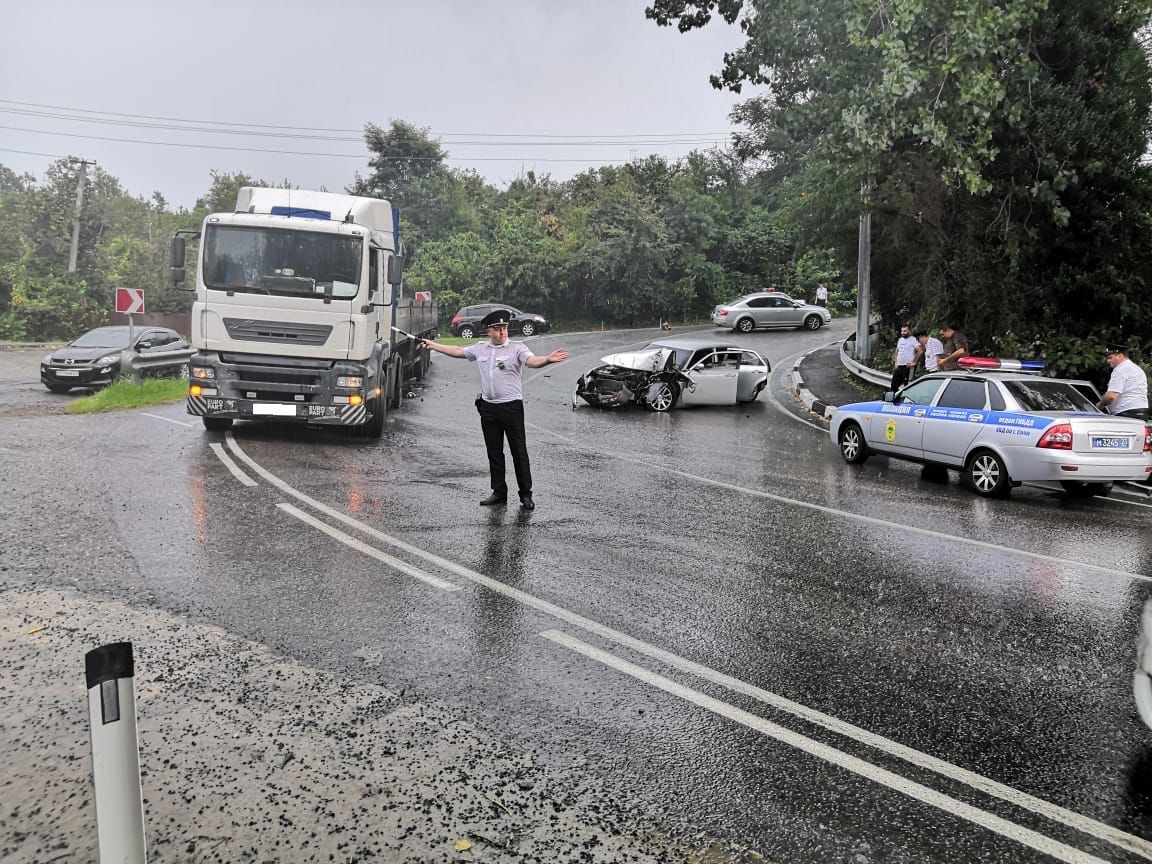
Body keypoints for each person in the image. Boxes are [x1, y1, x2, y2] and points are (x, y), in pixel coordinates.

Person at [420, 309, 569, 510]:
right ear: (488, 331)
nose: (502, 332)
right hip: (488, 408)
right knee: (494, 453)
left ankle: (526, 495)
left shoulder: (517, 348)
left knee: (519, 452)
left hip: (511, 407)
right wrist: (433, 345)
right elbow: (457, 351)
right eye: (497, 329)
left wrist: (547, 359)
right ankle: (499, 492)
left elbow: (532, 361)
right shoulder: (481, 349)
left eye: (504, 328)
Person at [1097, 342, 1149, 420]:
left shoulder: (1120, 369)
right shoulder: (1137, 369)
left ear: (1120, 356)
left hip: (1126, 413)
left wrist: (1100, 405)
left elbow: (1111, 396)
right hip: (1142, 411)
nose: (1108, 361)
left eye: (1110, 357)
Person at [891, 325, 918, 391]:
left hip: (907, 366)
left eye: (905, 331)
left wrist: (914, 362)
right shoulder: (900, 340)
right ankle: (893, 398)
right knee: (894, 383)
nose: (903, 332)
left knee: (907, 385)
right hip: (899, 365)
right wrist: (896, 361)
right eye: (902, 331)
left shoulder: (913, 339)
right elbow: (897, 350)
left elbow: (920, 350)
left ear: (909, 331)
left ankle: (906, 400)